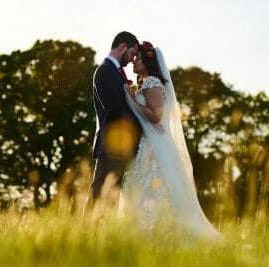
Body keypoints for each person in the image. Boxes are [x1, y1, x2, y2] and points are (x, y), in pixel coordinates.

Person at [120, 41, 219, 239]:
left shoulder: (152, 82)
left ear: (149, 63)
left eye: (138, 58)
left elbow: (156, 115)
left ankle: (160, 234)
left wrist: (131, 100)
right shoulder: (147, 83)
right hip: (151, 142)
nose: (133, 62)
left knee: (154, 189)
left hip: (154, 145)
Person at [84, 31, 142, 213]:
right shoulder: (105, 70)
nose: (133, 59)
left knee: (111, 199)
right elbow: (114, 109)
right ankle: (86, 236)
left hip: (119, 146)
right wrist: (143, 119)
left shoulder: (115, 72)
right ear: (123, 46)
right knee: (99, 194)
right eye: (132, 53)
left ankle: (103, 238)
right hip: (110, 145)